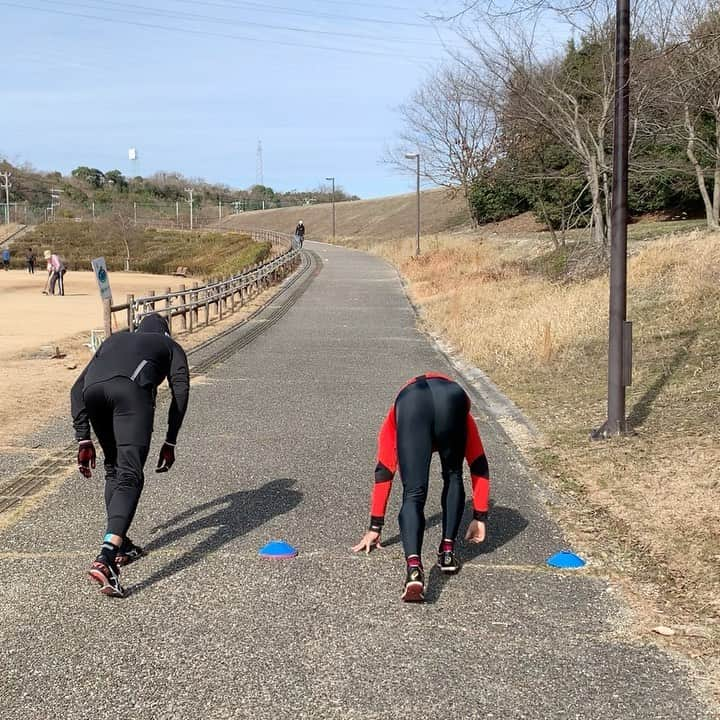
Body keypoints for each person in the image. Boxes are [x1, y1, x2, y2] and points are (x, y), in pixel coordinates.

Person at [71, 313, 190, 598]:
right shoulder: (170, 346)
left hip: (93, 393)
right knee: (130, 475)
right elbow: (181, 392)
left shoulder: (115, 339)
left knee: (113, 469)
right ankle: (107, 557)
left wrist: (83, 437)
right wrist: (170, 440)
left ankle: (120, 543)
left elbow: (76, 388)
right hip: (130, 393)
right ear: (165, 333)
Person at [352, 373, 490, 603]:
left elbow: (384, 470)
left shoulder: (397, 413)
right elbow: (478, 463)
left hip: (411, 401)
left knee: (414, 493)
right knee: (454, 475)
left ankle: (414, 569)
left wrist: (375, 526)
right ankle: (447, 552)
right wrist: (479, 516)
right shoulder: (464, 415)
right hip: (453, 397)